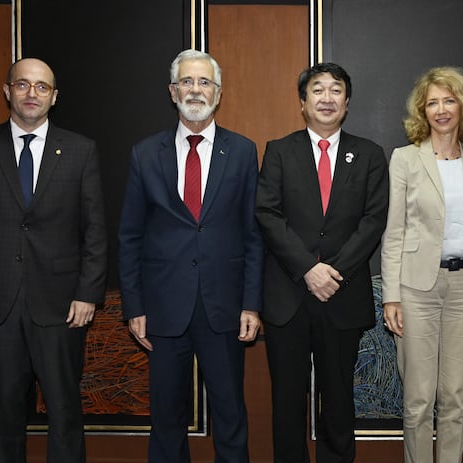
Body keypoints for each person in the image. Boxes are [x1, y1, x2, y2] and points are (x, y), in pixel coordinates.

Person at [0, 58, 108, 462]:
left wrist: (88, 293)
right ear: (7, 91)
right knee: (4, 417)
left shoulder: (81, 150)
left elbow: (95, 231)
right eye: (23, 85)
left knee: (65, 414)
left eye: (42, 87)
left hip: (61, 306)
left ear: (54, 97)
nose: (32, 94)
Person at [117, 49, 263, 463]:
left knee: (230, 414)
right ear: (172, 91)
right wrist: (134, 306)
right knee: (166, 417)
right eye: (186, 82)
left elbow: (254, 235)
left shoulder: (243, 151)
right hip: (163, 308)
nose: (195, 90)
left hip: (225, 307)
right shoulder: (146, 153)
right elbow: (130, 236)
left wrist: (251, 303)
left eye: (204, 82)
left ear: (218, 92)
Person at [255, 62, 389, 463]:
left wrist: (334, 273)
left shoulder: (368, 154)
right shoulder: (279, 151)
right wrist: (308, 269)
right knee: (287, 402)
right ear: (302, 102)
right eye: (317, 90)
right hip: (288, 297)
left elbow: (373, 220)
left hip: (342, 296)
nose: (326, 98)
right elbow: (267, 214)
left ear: (347, 103)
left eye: (335, 90)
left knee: (339, 401)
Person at [380, 66, 463, 463]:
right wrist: (391, 297)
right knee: (418, 400)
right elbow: (394, 232)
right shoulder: (405, 159)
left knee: (456, 399)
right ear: (423, 110)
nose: (441, 109)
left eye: (449, 101)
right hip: (416, 290)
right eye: (432, 103)